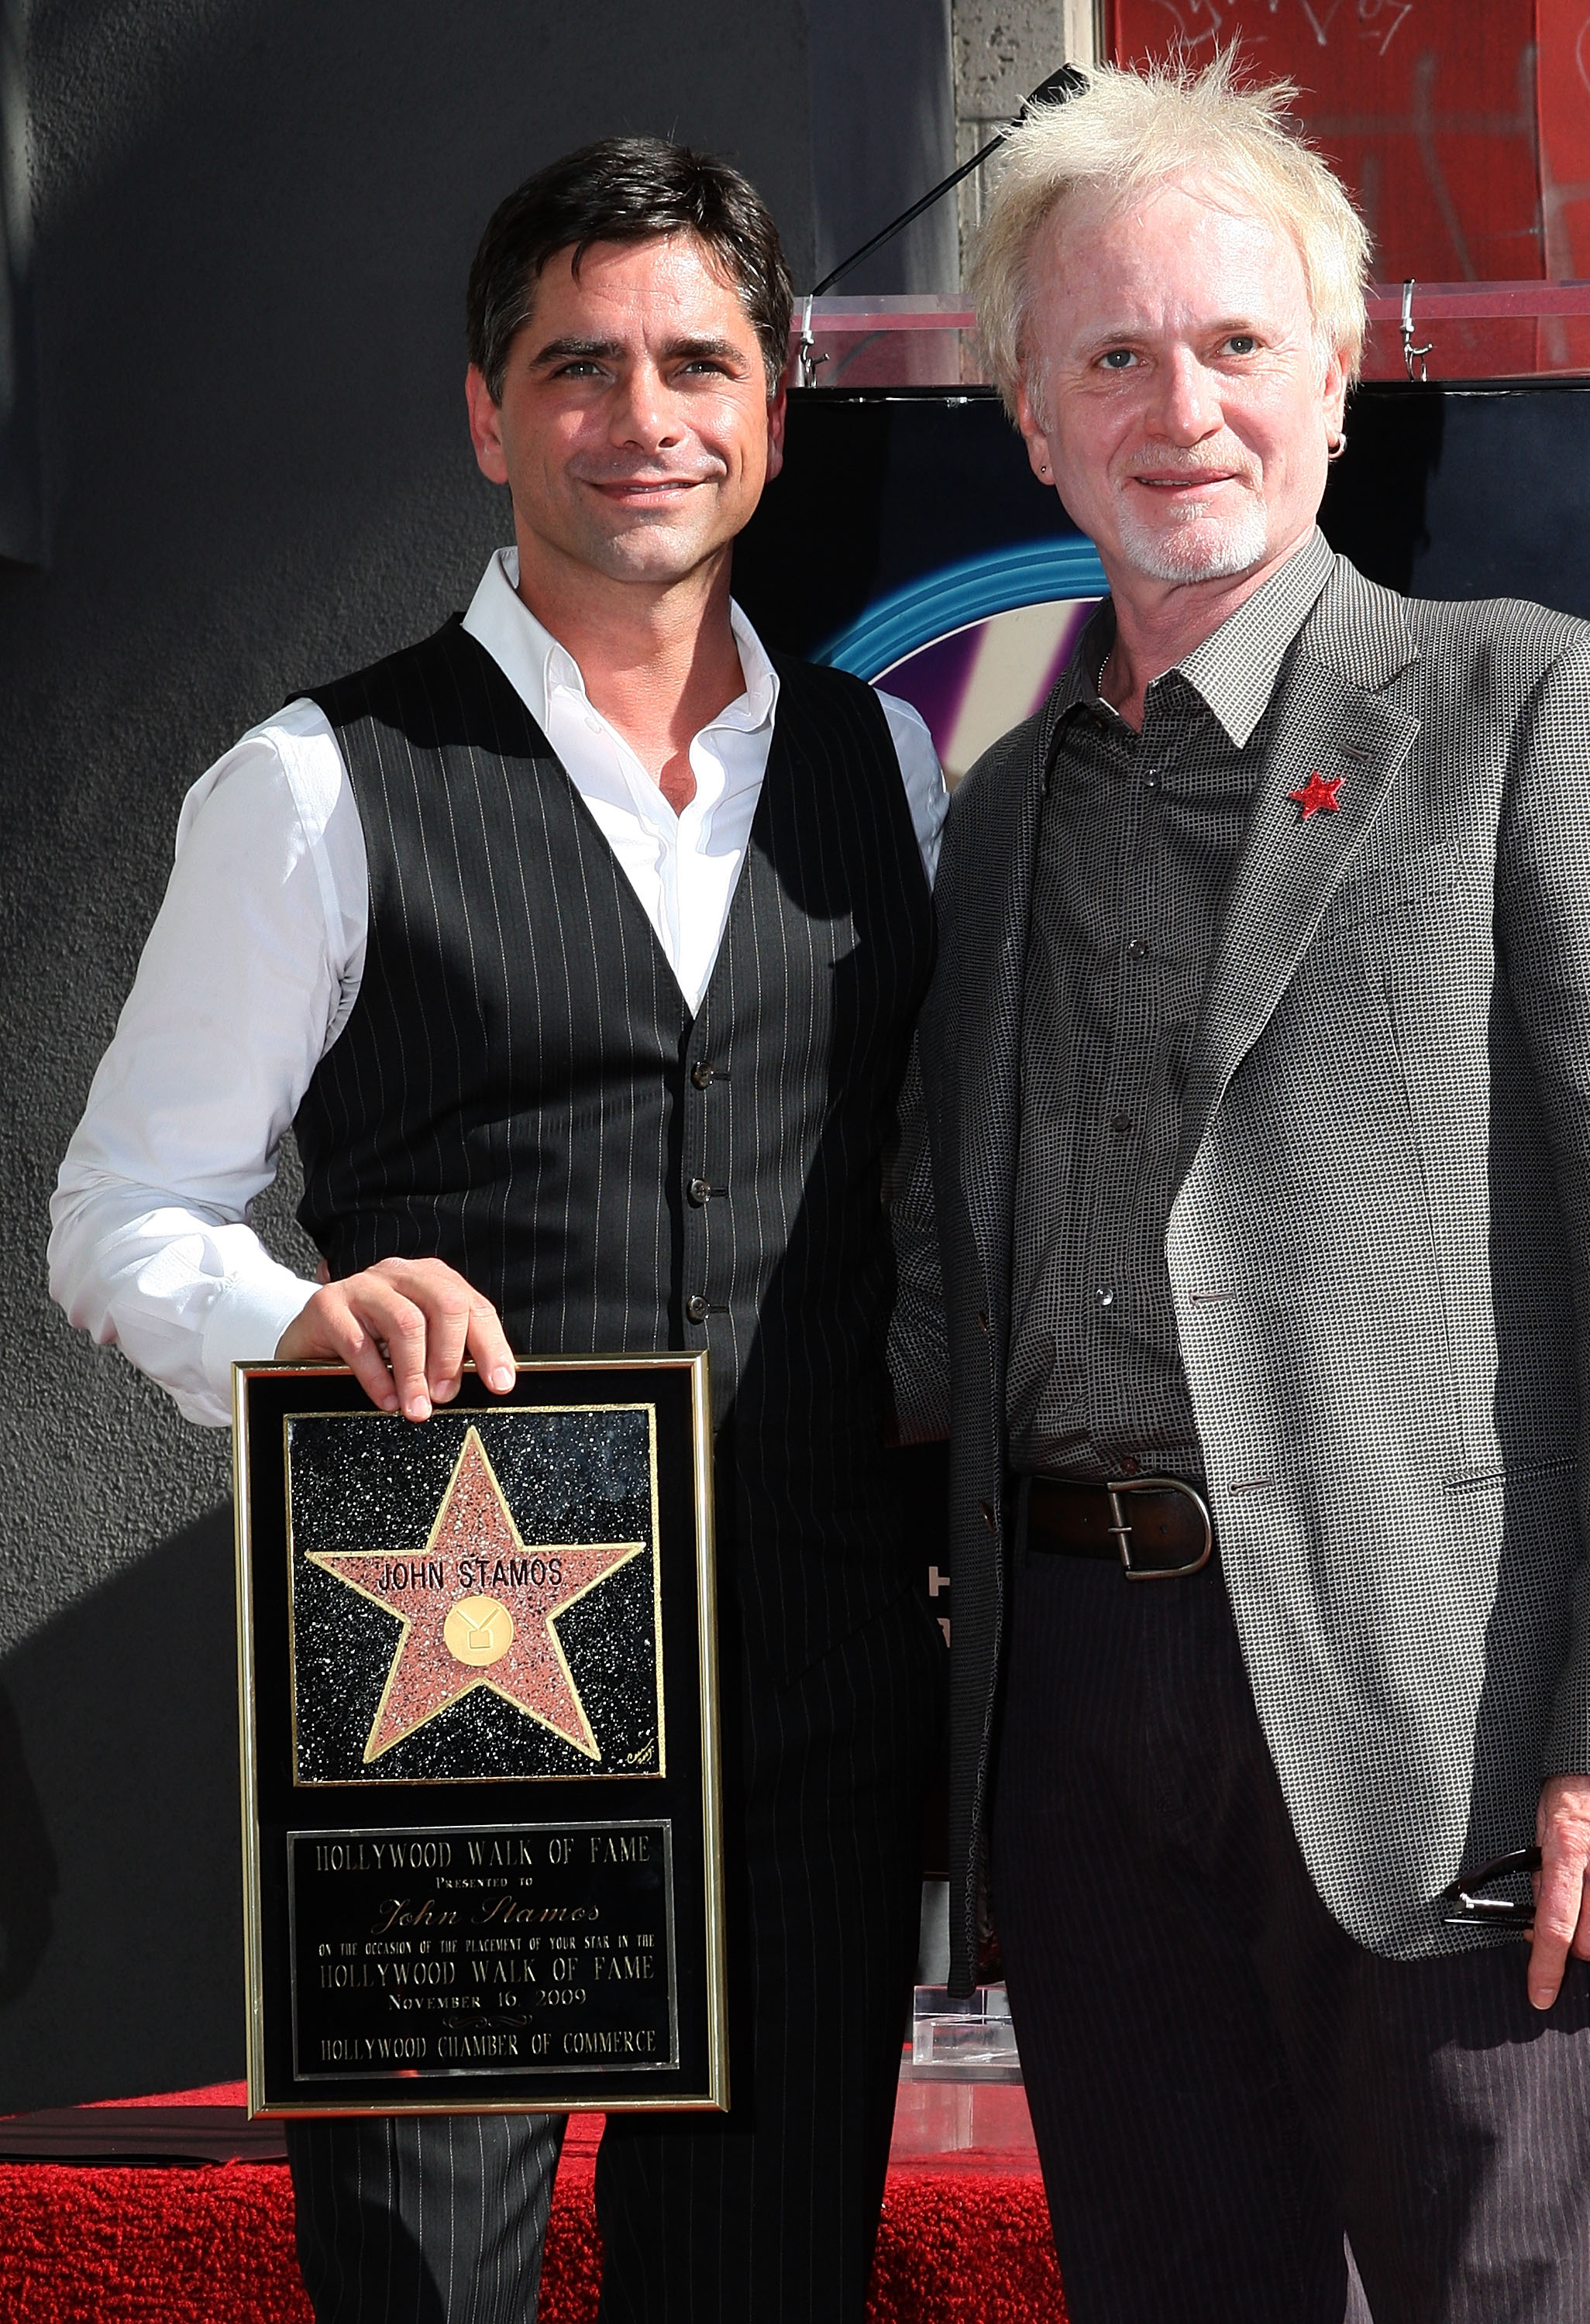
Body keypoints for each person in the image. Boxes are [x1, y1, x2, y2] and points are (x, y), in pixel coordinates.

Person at [886, 57, 1590, 2323]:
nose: (1179, 404)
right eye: (1110, 355)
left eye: (1233, 343)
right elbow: (935, 1290)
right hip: (1080, 1727)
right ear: (1029, 416)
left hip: (1453, 1733)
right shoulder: (996, 823)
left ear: (1336, 382)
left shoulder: (1527, 711)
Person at [50, 139, 946, 2324]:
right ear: (486, 413)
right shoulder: (315, 780)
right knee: (429, 2286)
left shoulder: (887, 770)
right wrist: (301, 1312)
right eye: (579, 368)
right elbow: (120, 1215)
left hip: (814, 1663)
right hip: (456, 1655)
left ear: (774, 405)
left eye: (695, 366)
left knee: (766, 2283)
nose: (642, 418)